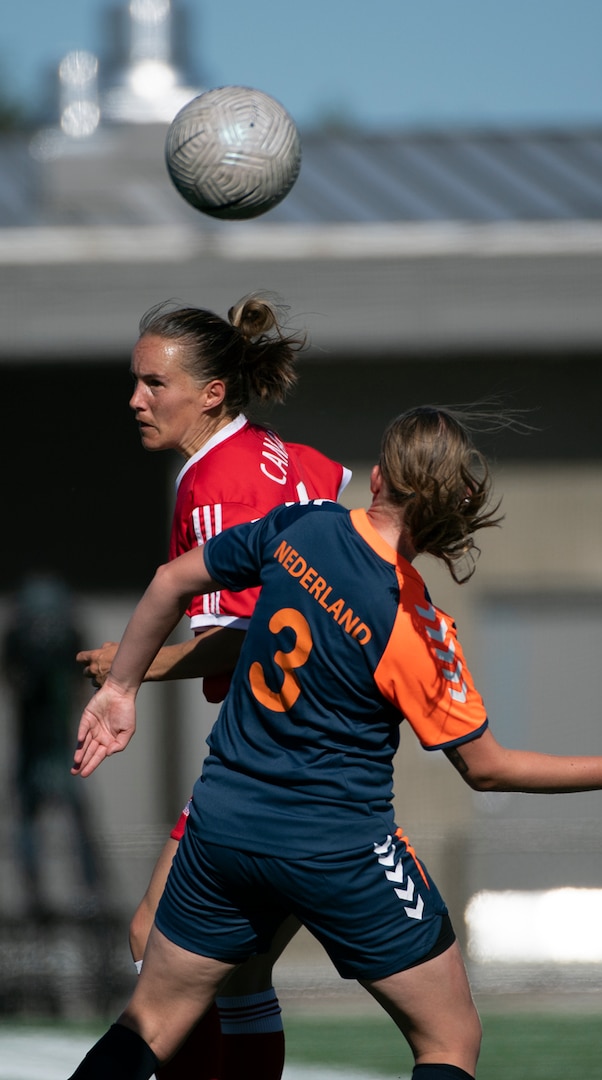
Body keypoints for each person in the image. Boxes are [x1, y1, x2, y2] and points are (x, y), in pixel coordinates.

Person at [67, 405, 602, 1080]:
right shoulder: (413, 620)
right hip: (334, 845)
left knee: (150, 1022)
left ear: (377, 478)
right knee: (449, 1037)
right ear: (451, 512)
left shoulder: (305, 525)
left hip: (221, 828)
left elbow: (173, 580)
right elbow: (486, 769)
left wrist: (121, 688)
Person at [76, 292, 351, 1080]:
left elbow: (248, 631)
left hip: (271, 761)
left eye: (154, 384)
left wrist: (130, 667)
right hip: (332, 759)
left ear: (212, 392)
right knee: (238, 975)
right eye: (135, 381)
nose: (135, 399)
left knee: (154, 942)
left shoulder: (215, 486)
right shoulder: (284, 455)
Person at [2, 572, 103, 919]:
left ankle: (91, 893)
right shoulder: (21, 641)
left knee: (75, 820)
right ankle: (38, 895)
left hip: (61, 745)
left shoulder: (61, 639)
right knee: (31, 820)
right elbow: (17, 680)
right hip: (34, 746)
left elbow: (79, 683)